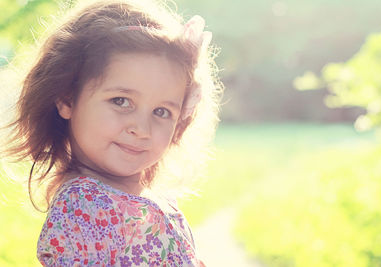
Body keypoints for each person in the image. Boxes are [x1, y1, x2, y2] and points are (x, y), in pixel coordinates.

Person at [2, 0, 223, 265]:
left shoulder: (145, 197)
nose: (141, 129)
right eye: (121, 101)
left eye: (161, 111)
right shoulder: (82, 206)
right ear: (67, 98)